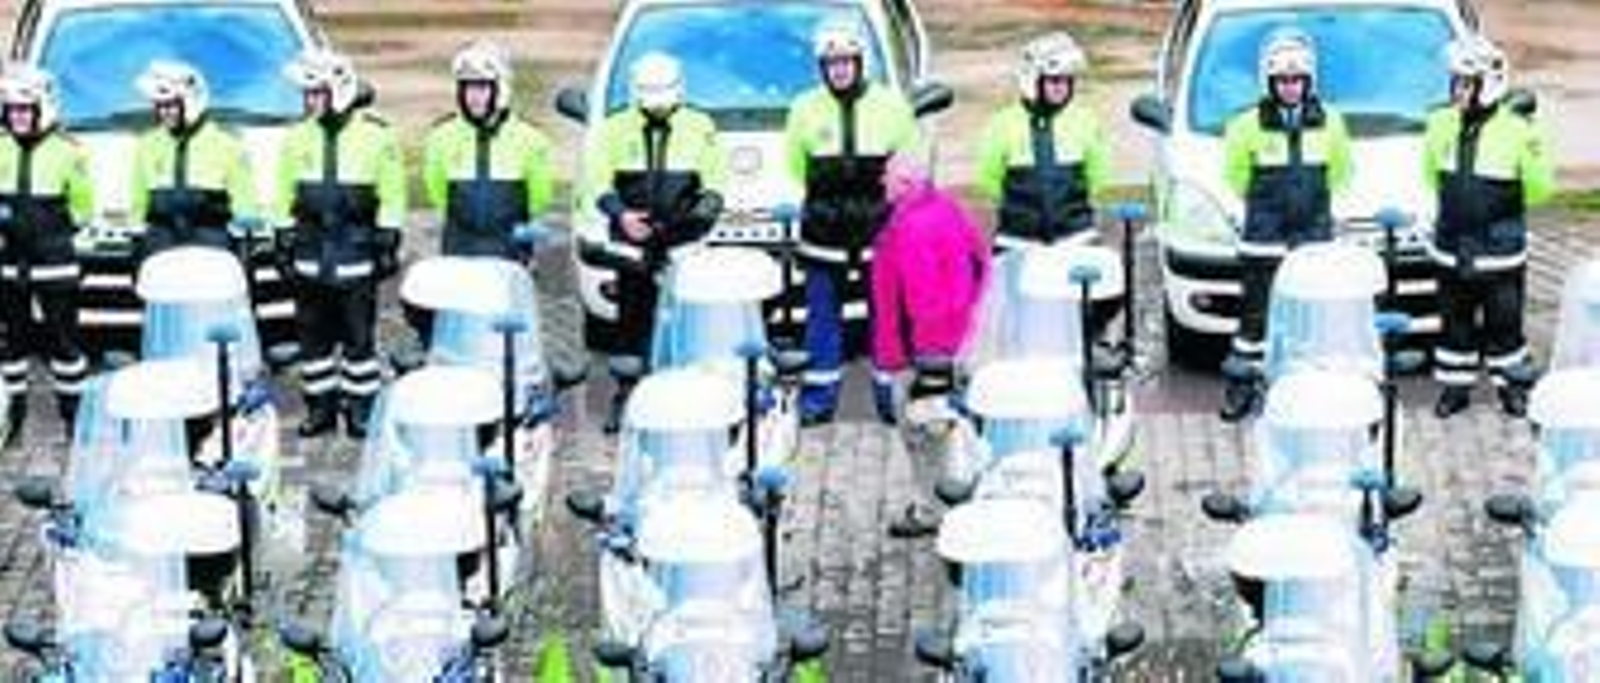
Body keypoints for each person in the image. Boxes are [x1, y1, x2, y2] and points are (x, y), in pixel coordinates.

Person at [784, 19, 922, 425]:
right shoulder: (804, 108)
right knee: (821, 319)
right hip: (823, 237)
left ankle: (889, 395)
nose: (839, 70)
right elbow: (795, 167)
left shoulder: (890, 107)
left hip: (878, 236)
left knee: (886, 318)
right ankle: (819, 399)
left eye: (846, 61)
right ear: (821, 67)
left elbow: (906, 170)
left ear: (860, 62)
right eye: (831, 63)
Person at [582, 51, 726, 433]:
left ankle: (687, 401)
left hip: (681, 241)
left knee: (685, 323)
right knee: (630, 324)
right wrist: (621, 216)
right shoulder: (614, 129)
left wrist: (696, 218)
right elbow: (595, 182)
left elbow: (715, 184)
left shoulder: (700, 125)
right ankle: (628, 397)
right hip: (632, 242)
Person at [1217, 28, 1352, 422]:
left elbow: (1341, 174)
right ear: (1269, 82)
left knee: (1311, 317)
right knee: (1254, 319)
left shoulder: (1331, 122)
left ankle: (1310, 391)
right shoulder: (1245, 126)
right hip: (1263, 239)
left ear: (1309, 82)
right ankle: (1242, 384)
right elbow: (1236, 176)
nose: (1291, 88)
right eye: (1283, 81)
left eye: (1297, 80)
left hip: (1313, 238)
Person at [276, 49, 406, 439]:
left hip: (355, 256)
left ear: (340, 91)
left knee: (358, 342)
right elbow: (283, 190)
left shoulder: (375, 136)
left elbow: (393, 190)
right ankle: (320, 409)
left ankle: (362, 410)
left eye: (317, 93)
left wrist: (388, 235)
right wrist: (282, 236)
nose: (310, 101)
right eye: (307, 94)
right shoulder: (296, 137)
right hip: (311, 256)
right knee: (312, 341)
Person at [1425, 34, 1552, 418]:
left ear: (1489, 84)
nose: (1458, 90)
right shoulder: (1439, 123)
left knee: (1504, 325)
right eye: (1456, 82)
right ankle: (1455, 389)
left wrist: (1496, 211)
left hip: (1499, 251)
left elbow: (1541, 188)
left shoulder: (1517, 130)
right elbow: (1431, 176)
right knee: (1455, 324)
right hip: (1452, 247)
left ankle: (1512, 388)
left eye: (1466, 83)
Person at [0, 63, 93, 440]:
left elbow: (84, 210)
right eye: (12, 110)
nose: (18, 117)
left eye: (25, 109)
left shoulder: (69, 152)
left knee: (64, 343)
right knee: (12, 344)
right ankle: (12, 415)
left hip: (55, 264)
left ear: (43, 109)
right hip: (8, 264)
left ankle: (74, 418)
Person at [869, 152, 990, 425]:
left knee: (923, 427)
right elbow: (980, 260)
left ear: (905, 182)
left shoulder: (909, 228)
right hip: (953, 337)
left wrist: (910, 354)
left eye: (887, 175)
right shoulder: (946, 207)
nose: (881, 180)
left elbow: (918, 298)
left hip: (923, 351)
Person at [974, 31, 1110, 252]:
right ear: (1032, 79)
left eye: (1067, 80)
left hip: (1076, 235)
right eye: (1054, 80)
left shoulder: (1087, 121)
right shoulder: (1001, 124)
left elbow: (1100, 177)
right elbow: (987, 179)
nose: (1061, 87)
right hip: (1016, 238)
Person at [423, 39, 554, 259]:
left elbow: (539, 198)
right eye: (466, 88)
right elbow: (437, 194)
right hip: (458, 247)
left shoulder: (532, 139)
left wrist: (522, 239)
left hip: (510, 251)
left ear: (501, 89)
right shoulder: (440, 137)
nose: (473, 97)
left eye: (482, 87)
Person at [129, 60, 257, 258]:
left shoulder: (227, 145)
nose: (163, 112)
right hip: (160, 246)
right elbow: (137, 202)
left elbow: (245, 201)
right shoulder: (146, 144)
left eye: (170, 105)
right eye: (159, 105)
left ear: (190, 103)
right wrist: (136, 238)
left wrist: (246, 236)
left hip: (211, 246)